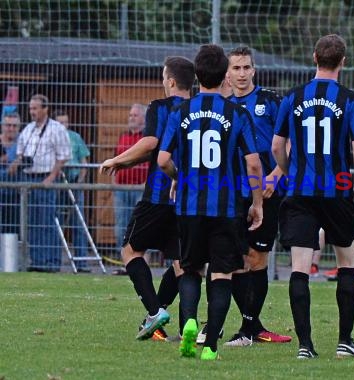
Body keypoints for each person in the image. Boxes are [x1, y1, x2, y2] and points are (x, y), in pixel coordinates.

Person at [158, 44, 263, 361]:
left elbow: (163, 160)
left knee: (190, 270)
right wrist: (257, 202)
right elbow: (254, 164)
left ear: (197, 75)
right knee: (222, 276)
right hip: (226, 208)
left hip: (189, 207)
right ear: (225, 76)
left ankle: (188, 322)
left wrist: (180, 175)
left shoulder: (180, 113)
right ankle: (211, 346)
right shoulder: (236, 114)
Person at [272, 34, 354, 359]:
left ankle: (305, 346)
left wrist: (289, 172)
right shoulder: (349, 99)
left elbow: (276, 146)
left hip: (301, 192)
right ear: (343, 61)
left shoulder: (293, 96)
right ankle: (345, 341)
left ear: (314, 56)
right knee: (346, 261)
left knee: (300, 268)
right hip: (338, 191)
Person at [100, 56, 196, 341]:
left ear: (170, 81)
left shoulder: (160, 107)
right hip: (190, 197)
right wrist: (125, 163)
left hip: (158, 195)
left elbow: (150, 144)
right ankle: (188, 326)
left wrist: (116, 159)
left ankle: (155, 312)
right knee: (182, 264)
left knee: (130, 250)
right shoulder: (200, 108)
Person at [222, 45, 291, 346]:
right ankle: (253, 326)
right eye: (235, 68)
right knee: (236, 259)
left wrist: (276, 175)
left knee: (257, 257)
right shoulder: (222, 107)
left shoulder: (271, 101)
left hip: (268, 190)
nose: (241, 73)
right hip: (234, 191)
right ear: (227, 72)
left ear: (254, 70)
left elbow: (290, 142)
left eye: (246, 67)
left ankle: (249, 329)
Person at [8, 94, 71, 272]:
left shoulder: (56, 129)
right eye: (30, 108)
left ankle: (51, 262)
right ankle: (36, 261)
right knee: (32, 222)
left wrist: (51, 177)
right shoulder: (28, 129)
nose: (32, 112)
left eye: (35, 108)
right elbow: (21, 153)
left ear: (45, 109)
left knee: (47, 221)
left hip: (46, 178)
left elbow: (63, 156)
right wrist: (16, 163)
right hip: (29, 178)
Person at [53, 109, 91, 272]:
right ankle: (53, 261)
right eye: (60, 122)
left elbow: (84, 161)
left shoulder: (75, 137)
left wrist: (80, 181)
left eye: (65, 122)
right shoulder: (52, 137)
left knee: (78, 224)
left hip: (74, 183)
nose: (63, 126)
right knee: (56, 223)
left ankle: (81, 263)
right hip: (58, 183)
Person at [113, 103, 148, 258]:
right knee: (121, 225)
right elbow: (117, 159)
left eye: (135, 115)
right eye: (130, 115)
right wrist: (114, 182)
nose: (131, 118)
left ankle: (141, 258)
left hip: (140, 188)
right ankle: (124, 258)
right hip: (121, 188)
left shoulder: (147, 138)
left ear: (143, 118)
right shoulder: (123, 136)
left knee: (141, 224)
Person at [0, 112, 22, 233]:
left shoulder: (23, 142)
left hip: (17, 194)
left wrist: (18, 160)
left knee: (14, 232)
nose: (11, 129)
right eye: (8, 125)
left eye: (15, 126)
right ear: (2, 126)